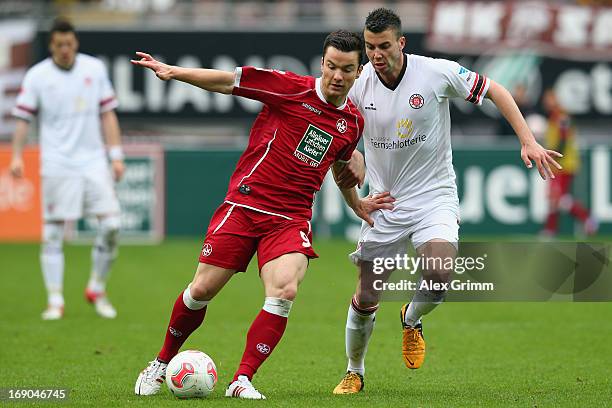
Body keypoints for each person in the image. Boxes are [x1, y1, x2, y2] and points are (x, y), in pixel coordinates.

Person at [131, 30, 393, 399]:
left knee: (284, 290)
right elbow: (229, 81)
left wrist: (356, 203)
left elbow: (339, 166)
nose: (337, 76)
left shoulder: (352, 121)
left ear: (358, 71)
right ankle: (160, 362)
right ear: (322, 64)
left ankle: (242, 380)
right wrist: (174, 72)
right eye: (331, 66)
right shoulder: (288, 88)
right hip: (245, 205)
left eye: (346, 70)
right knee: (202, 290)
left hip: (291, 218)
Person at [332, 8, 563, 394]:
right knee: (367, 292)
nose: (376, 54)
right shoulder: (358, 83)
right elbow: (334, 129)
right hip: (385, 203)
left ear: (401, 43)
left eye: (384, 46)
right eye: (370, 46)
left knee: (440, 272)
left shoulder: (435, 73)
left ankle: (411, 316)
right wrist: (350, 158)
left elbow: (495, 89)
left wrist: (527, 139)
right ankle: (355, 370)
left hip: (433, 197)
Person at [10, 18, 124, 320]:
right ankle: (55, 300)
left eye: (69, 44)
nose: (65, 50)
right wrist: (17, 155)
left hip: (93, 161)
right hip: (57, 163)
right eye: (59, 45)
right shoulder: (37, 76)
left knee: (112, 226)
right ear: (51, 46)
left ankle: (97, 288)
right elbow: (23, 119)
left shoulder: (94, 69)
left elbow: (108, 114)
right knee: (52, 233)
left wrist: (115, 155)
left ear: (75, 44)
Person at [541, 88, 598, 236]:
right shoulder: (554, 117)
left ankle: (586, 218)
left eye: (550, 99)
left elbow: (563, 139)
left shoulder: (562, 117)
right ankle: (551, 230)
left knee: (556, 197)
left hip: (564, 164)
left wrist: (554, 158)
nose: (547, 103)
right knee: (556, 198)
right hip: (558, 164)